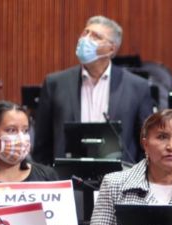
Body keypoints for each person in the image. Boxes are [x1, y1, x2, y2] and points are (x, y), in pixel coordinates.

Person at [33, 15, 154, 164]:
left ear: (111, 49)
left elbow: (147, 143)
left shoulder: (137, 87)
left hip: (119, 180)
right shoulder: (55, 83)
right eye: (85, 33)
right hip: (67, 178)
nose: (86, 39)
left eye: (96, 36)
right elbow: (42, 143)